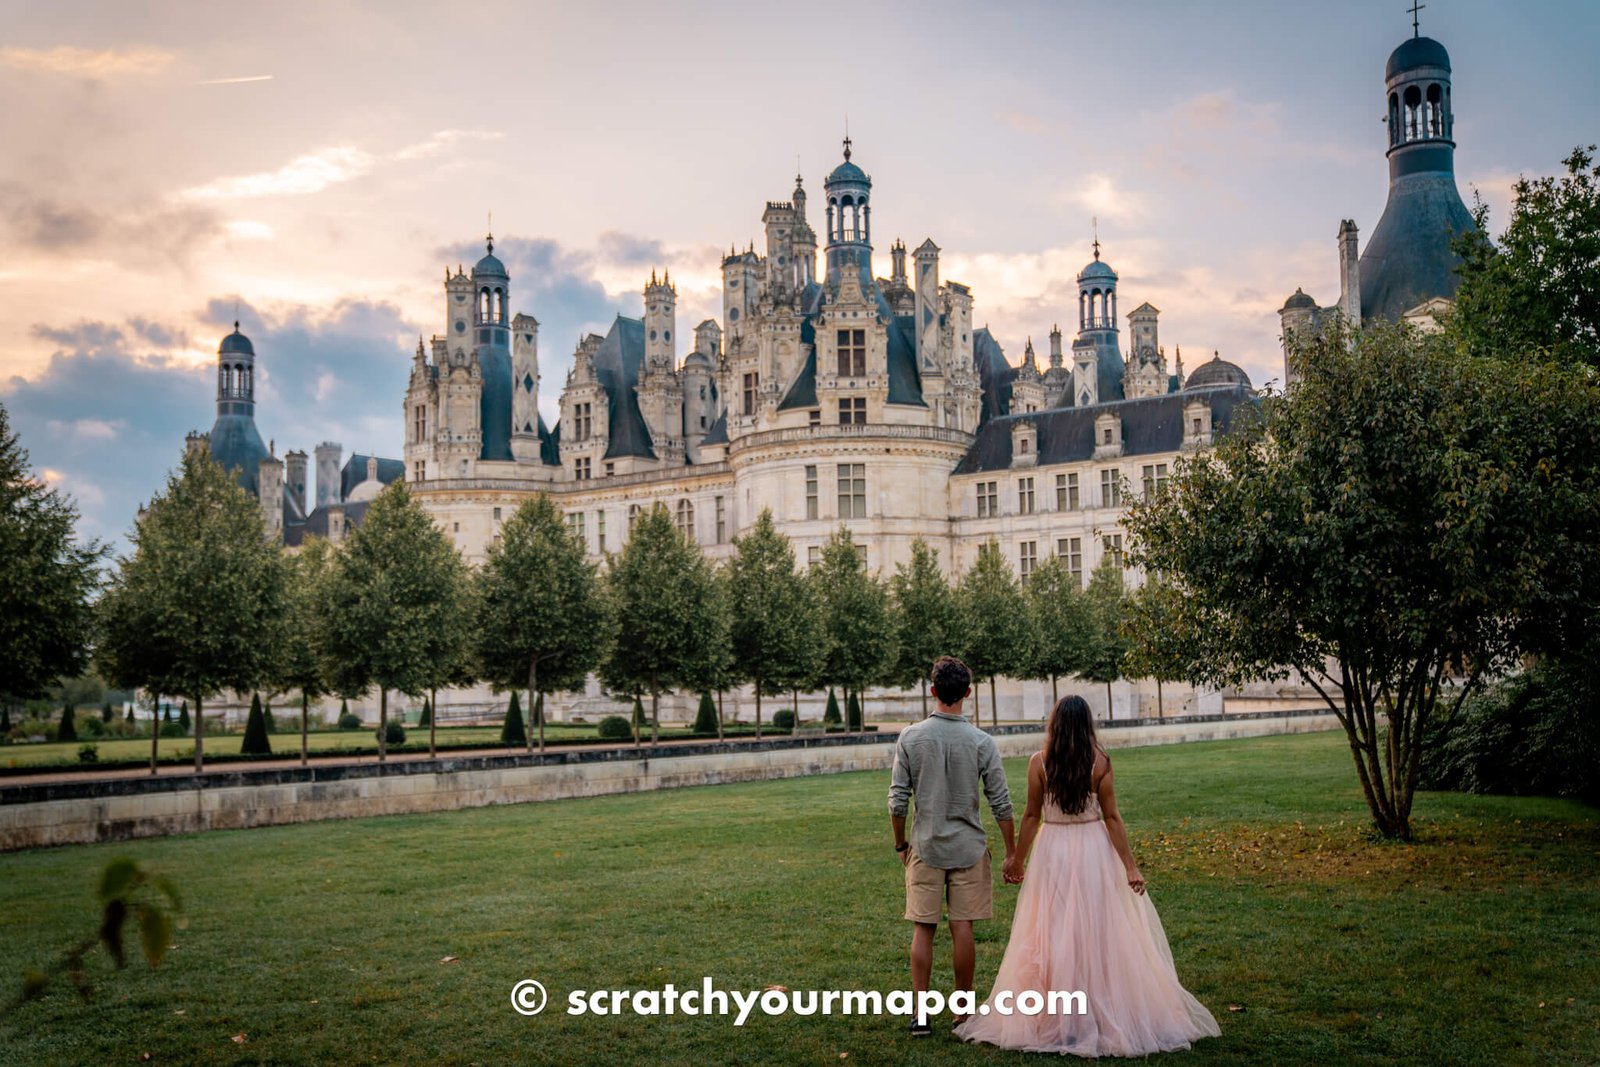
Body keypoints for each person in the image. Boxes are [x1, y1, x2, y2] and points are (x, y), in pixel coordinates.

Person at [956, 695, 1220, 1056]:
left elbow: (1032, 815)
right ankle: (1089, 1011)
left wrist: (1018, 858)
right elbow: (1112, 817)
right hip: (1094, 851)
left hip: (1054, 853)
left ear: (1055, 725)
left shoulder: (1039, 763)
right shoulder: (1100, 763)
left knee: (1053, 930)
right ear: (1086, 727)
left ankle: (1063, 1016)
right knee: (1096, 931)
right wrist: (1129, 865)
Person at [887, 656, 1015, 1038]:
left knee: (923, 929)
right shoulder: (981, 741)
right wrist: (1011, 851)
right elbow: (1001, 802)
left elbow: (896, 802)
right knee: (963, 928)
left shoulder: (910, 737)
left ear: (932, 691)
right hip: (969, 848)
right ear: (968, 693)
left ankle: (921, 1015)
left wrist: (900, 845)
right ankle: (961, 1013)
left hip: (925, 845)